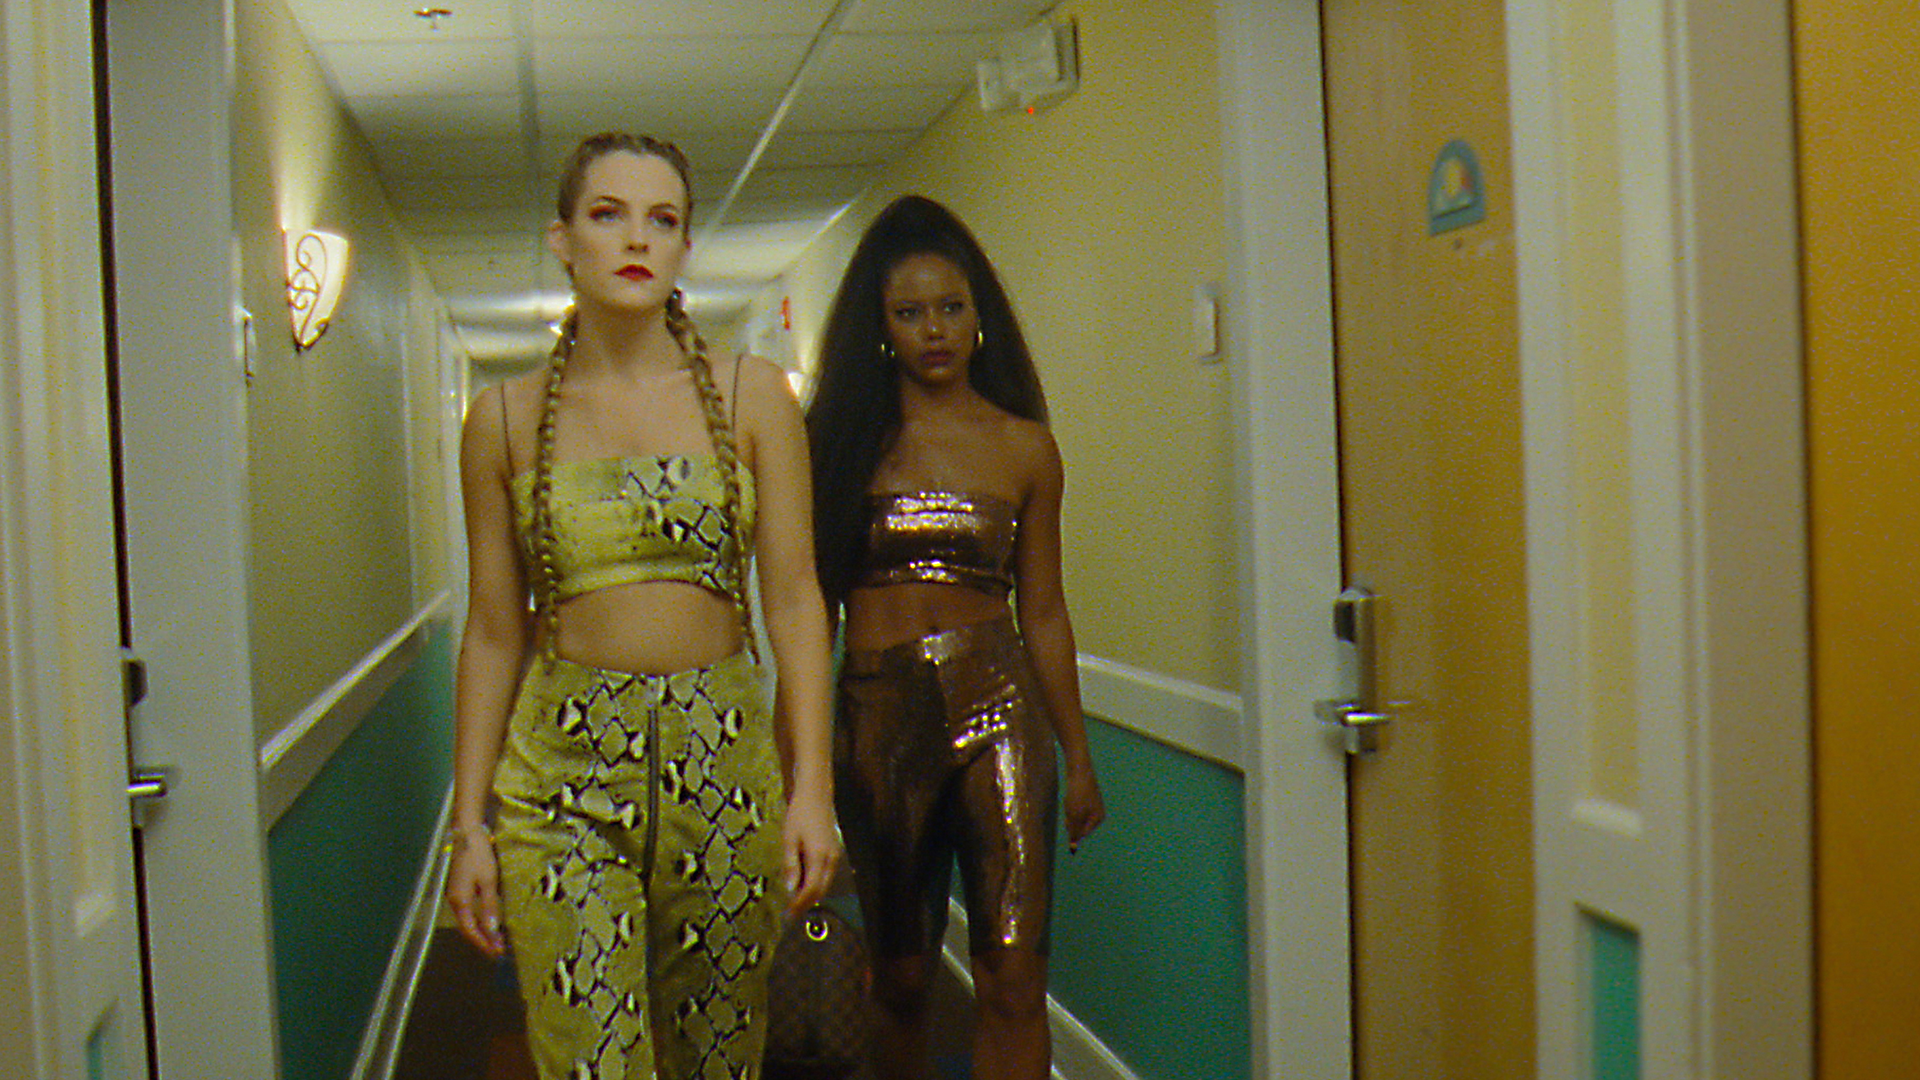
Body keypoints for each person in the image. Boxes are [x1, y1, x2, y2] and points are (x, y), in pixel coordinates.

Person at [442, 131, 840, 1080]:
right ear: (562, 239)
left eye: (662, 220)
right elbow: (494, 632)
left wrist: (813, 788)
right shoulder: (502, 419)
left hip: (725, 761)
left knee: (720, 1052)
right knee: (590, 1059)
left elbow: (794, 600)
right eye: (607, 214)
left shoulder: (753, 396)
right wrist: (469, 824)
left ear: (684, 247)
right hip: (562, 775)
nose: (636, 239)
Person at [805, 194, 1106, 1079]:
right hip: (877, 717)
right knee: (901, 978)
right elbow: (809, 612)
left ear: (980, 317)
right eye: (910, 312)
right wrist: (800, 768)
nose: (934, 329)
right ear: (880, 327)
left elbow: (1043, 611)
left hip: (1002, 708)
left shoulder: (1025, 447)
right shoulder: (838, 443)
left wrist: (1078, 755)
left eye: (951, 307)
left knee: (1014, 978)